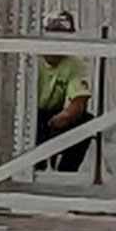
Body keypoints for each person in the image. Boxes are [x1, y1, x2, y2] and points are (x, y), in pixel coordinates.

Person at [35, 10, 94, 172]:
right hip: (29, 115)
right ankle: (34, 167)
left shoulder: (73, 64)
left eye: (63, 40)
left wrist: (67, 115)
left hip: (54, 115)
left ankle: (66, 171)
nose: (57, 47)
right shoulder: (31, 59)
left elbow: (79, 100)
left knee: (87, 122)